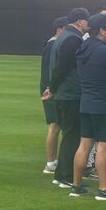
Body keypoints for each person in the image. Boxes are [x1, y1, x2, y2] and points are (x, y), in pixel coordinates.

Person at [70, 14, 106, 200]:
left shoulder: (82, 49)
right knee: (103, 146)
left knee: (84, 145)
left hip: (86, 103)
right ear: (102, 30)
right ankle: (104, 189)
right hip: (105, 103)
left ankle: (76, 186)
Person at [43, 7, 89, 189]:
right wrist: (53, 88)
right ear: (79, 21)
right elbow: (62, 67)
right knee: (73, 136)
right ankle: (66, 176)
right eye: (86, 20)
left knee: (69, 135)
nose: (88, 23)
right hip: (70, 93)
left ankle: (61, 173)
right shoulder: (72, 39)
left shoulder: (64, 36)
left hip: (65, 92)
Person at [40, 16, 67, 175]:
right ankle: (50, 163)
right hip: (51, 90)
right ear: (59, 29)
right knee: (55, 125)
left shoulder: (51, 44)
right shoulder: (53, 45)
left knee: (56, 126)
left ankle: (53, 161)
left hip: (50, 89)